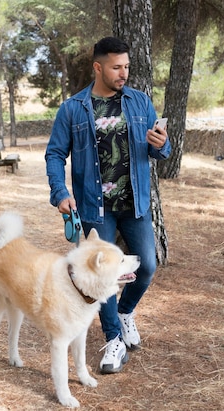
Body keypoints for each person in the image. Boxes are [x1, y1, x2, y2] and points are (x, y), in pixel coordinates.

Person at [45, 36, 171, 374]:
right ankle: (113, 338)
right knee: (103, 275)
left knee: (145, 266)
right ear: (98, 67)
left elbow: (161, 151)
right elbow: (55, 154)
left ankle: (125, 312)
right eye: (117, 67)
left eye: (127, 66)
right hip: (93, 207)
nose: (124, 73)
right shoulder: (73, 109)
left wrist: (161, 144)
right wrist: (59, 192)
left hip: (135, 204)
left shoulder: (140, 102)